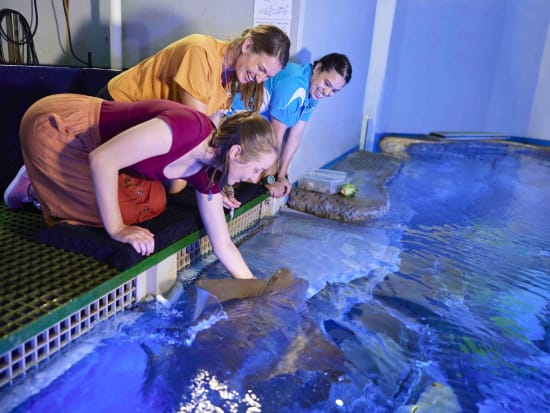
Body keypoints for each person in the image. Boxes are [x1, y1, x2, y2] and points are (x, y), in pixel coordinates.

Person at [4, 93, 278, 280]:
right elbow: (102, 159)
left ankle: (51, 179)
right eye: (256, 169)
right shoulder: (187, 129)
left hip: (98, 147)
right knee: (112, 215)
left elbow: (223, 244)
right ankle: (33, 186)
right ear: (235, 153)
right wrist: (117, 229)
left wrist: (251, 287)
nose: (255, 179)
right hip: (59, 126)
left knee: (154, 203)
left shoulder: (210, 172)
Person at [97, 24, 290, 205]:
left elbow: (214, 128)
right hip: (119, 107)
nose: (259, 79)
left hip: (157, 124)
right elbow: (200, 133)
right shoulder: (199, 51)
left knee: (180, 181)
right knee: (177, 183)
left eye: (267, 77)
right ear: (247, 45)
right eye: (261, 69)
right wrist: (216, 185)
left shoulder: (231, 78)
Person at [228, 53, 352, 198]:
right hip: (232, 119)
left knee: (263, 171)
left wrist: (282, 176)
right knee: (255, 177)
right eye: (327, 84)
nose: (326, 92)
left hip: (252, 125)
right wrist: (270, 179)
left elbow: (296, 136)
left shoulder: (313, 90)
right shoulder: (296, 84)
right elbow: (275, 136)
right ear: (318, 68)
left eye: (334, 91)